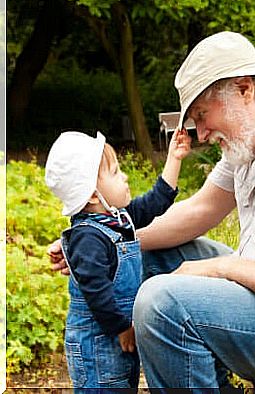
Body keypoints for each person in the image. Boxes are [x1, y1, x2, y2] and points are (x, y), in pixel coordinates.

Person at [50, 31, 255, 389]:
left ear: (244, 89)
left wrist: (218, 268)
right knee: (148, 257)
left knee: (161, 303)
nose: (200, 134)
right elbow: (202, 208)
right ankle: (106, 381)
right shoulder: (253, 136)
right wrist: (105, 239)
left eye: (202, 115)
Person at [45, 128, 191, 391]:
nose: (124, 177)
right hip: (98, 345)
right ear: (91, 195)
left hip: (118, 338)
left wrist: (175, 159)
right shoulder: (87, 238)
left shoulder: (119, 219)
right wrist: (121, 328)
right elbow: (96, 291)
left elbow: (155, 203)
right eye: (114, 173)